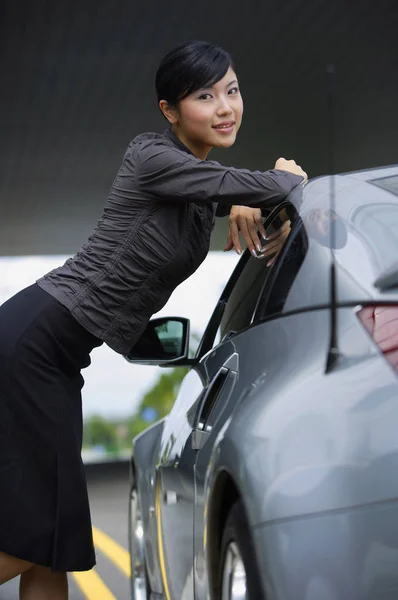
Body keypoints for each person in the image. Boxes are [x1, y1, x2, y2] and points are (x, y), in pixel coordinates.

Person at [0, 40, 307, 599]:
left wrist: (253, 200)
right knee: (33, 536)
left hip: (58, 358)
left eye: (232, 91)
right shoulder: (151, 158)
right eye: (204, 96)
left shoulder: (192, 194)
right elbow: (272, 184)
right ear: (169, 111)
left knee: (55, 542)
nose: (224, 107)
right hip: (32, 344)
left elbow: (249, 198)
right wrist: (277, 176)